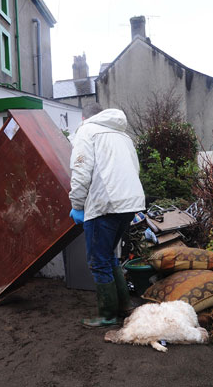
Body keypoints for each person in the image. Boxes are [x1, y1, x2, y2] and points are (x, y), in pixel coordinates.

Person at [68, 103, 145, 327]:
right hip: (129, 204)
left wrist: (77, 204)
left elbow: (81, 171)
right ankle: (124, 307)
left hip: (105, 205)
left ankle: (107, 316)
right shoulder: (123, 136)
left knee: (98, 261)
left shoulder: (86, 131)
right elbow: (135, 169)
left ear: (84, 117)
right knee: (110, 256)